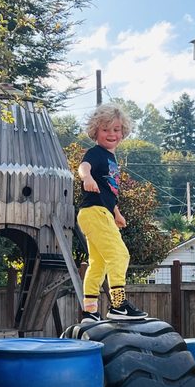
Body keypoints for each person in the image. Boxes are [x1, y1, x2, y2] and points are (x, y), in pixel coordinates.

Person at [77, 103, 148, 322]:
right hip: (95, 213)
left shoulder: (111, 160)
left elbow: (107, 191)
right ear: (96, 131)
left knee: (98, 262)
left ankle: (89, 311)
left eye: (116, 129)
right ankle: (118, 306)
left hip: (100, 212)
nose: (112, 134)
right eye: (106, 129)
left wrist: (116, 212)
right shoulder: (96, 154)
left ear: (123, 132)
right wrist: (86, 178)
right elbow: (83, 167)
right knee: (119, 254)